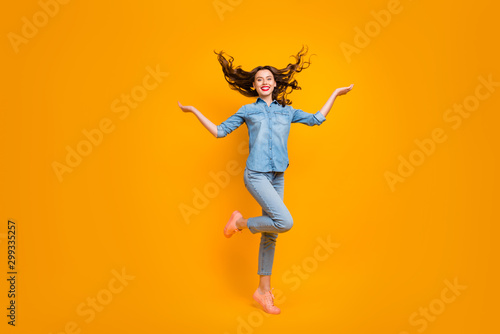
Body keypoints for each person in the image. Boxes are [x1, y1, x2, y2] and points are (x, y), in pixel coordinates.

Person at [178, 46, 354, 315]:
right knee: (285, 222)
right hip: (256, 175)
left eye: (268, 79)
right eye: (259, 79)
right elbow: (219, 131)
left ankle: (263, 292)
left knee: (272, 233)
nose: (264, 82)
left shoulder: (287, 111)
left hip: (278, 176)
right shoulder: (248, 110)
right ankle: (239, 222)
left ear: (275, 83)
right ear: (254, 85)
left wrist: (335, 94)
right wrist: (194, 111)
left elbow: (317, 119)